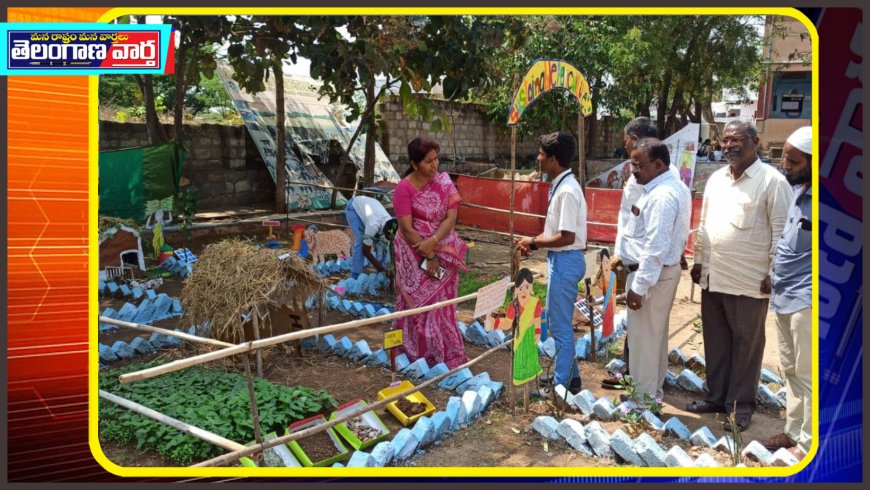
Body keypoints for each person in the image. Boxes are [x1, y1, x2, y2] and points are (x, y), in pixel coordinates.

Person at [688, 121, 792, 431]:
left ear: (755, 142)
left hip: (750, 280)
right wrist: (699, 260)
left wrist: (773, 272)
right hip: (714, 276)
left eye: (737, 140)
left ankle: (741, 405)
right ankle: (717, 396)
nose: (729, 145)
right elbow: (705, 223)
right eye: (724, 140)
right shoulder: (717, 179)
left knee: (747, 345)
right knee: (716, 341)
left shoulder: (772, 181)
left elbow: (782, 232)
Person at [615, 138, 691, 409]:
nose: (633, 170)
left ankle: (642, 402)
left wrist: (639, 287)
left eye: (638, 165)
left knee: (643, 341)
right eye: (632, 164)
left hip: (652, 276)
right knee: (654, 337)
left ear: (658, 165)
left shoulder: (662, 196)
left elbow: (655, 247)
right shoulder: (669, 187)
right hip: (660, 274)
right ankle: (653, 392)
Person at [515, 132, 587, 395]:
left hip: (566, 259)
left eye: (542, 155)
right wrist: (533, 243)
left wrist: (535, 243)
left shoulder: (567, 191)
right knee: (559, 321)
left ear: (554, 159)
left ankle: (561, 385)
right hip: (562, 258)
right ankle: (572, 377)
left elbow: (566, 236)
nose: (538, 159)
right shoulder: (562, 185)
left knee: (559, 326)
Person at [759, 126, 813, 460]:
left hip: (809, 299)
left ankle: (809, 445)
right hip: (784, 294)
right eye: (783, 157)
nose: (785, 165)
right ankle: (794, 432)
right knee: (791, 369)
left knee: (809, 374)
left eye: (793, 161)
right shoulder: (796, 190)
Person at [393, 137, 469, 369]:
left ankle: (445, 352)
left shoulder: (445, 183)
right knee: (417, 306)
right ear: (415, 164)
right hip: (412, 253)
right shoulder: (403, 188)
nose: (434, 165)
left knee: (441, 304)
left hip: (440, 246)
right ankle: (416, 354)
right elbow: (406, 228)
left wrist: (434, 242)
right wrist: (428, 254)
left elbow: (451, 218)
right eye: (428, 161)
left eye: (436, 159)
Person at [601, 117, 659, 390]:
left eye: (626, 139)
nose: (624, 145)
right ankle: (632, 372)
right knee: (637, 325)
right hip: (631, 259)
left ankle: (638, 381)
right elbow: (627, 220)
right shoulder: (638, 174)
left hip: (642, 263)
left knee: (643, 327)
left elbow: (648, 230)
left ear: (635, 138)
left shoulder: (652, 179)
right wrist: (619, 254)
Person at [504, 268, 544, 386]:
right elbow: (506, 323)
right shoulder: (513, 305)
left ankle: (531, 376)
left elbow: (537, 321)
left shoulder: (535, 303)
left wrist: (537, 334)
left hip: (530, 335)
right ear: (516, 290)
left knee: (531, 357)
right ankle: (521, 378)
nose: (524, 291)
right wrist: (491, 322)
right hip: (519, 338)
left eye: (527, 287)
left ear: (531, 288)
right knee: (520, 359)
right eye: (520, 288)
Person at [345, 195, 398, 279]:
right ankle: (355, 275)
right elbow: (366, 251)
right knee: (360, 241)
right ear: (384, 231)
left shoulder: (390, 222)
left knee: (381, 242)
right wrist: (383, 269)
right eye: (389, 237)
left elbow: (387, 242)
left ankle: (380, 275)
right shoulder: (373, 225)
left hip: (370, 208)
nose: (390, 240)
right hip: (354, 208)